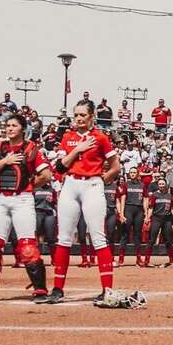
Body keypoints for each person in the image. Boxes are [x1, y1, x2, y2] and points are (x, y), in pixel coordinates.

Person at [37, 100, 121, 305]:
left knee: (98, 237)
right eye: (76, 115)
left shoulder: (101, 138)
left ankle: (107, 289)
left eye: (83, 115)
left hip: (92, 185)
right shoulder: (68, 137)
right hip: (71, 185)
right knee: (64, 238)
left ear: (92, 116)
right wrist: (79, 149)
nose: (79, 119)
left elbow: (115, 166)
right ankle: (57, 289)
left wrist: (104, 179)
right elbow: (60, 167)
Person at [0, 115, 52, 300]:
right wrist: (5, 161)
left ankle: (40, 288)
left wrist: (28, 185)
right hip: (1, 199)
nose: (9, 128)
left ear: (22, 129)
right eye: (7, 125)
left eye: (14, 125)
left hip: (22, 200)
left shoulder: (31, 149)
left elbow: (46, 175)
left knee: (27, 248)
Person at [144, 178, 173, 266]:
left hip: (167, 220)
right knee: (151, 240)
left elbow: (171, 209)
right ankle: (146, 261)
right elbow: (151, 208)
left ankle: (172, 261)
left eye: (162, 184)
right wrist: (147, 218)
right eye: (159, 184)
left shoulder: (169, 196)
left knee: (168, 241)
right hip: (156, 219)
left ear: (166, 185)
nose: (161, 186)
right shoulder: (154, 195)